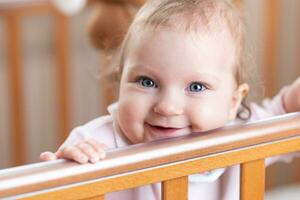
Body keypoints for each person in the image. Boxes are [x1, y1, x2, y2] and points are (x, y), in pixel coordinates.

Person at [40, 0, 300, 199]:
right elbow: (48, 188)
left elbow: (287, 108)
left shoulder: (243, 134)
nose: (167, 106)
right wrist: (63, 169)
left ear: (233, 103)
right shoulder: (96, 145)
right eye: (147, 82)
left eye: (196, 86)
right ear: (121, 80)